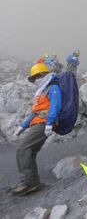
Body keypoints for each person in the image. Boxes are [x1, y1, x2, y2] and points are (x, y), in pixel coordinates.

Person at [13, 63, 62, 195]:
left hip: (44, 123)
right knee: (30, 151)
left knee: (22, 149)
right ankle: (33, 182)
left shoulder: (53, 88)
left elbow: (55, 106)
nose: (35, 81)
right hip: (38, 123)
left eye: (36, 77)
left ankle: (28, 183)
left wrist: (50, 123)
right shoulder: (41, 91)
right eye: (33, 79)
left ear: (42, 75)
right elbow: (35, 112)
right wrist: (22, 127)